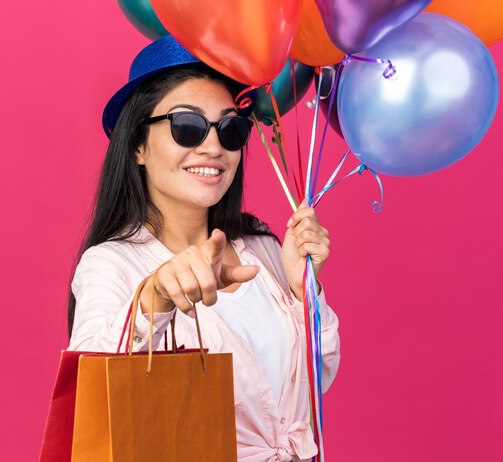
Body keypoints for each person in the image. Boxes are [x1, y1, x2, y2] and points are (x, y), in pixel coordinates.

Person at [67, 35, 340, 462]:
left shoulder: (265, 250)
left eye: (231, 129)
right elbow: (87, 385)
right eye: (187, 126)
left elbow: (315, 379)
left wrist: (303, 287)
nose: (213, 147)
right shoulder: (113, 263)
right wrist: (154, 299)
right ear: (138, 145)